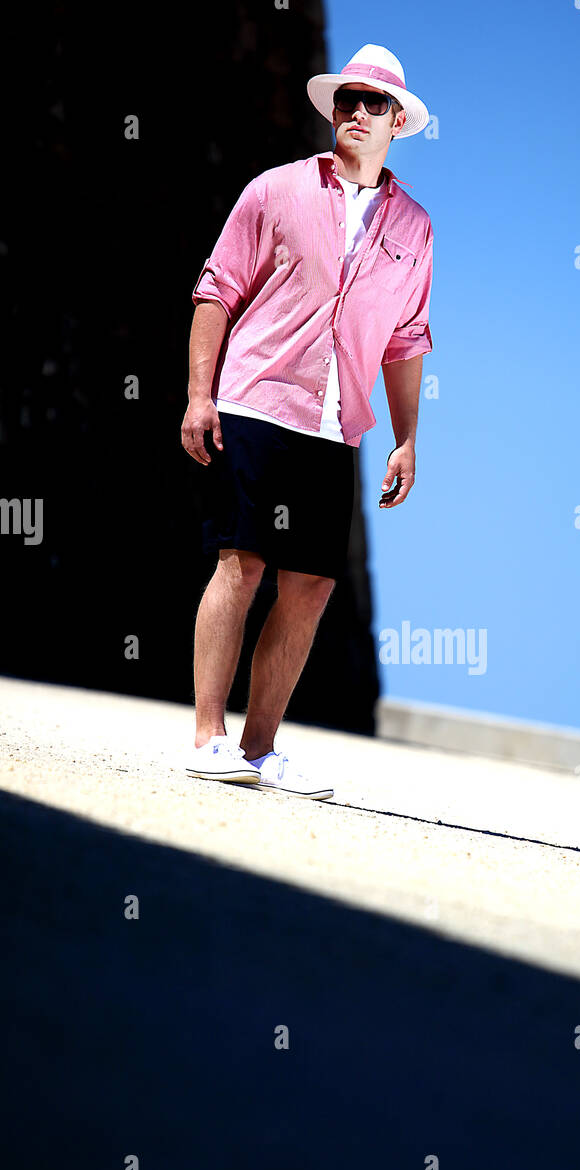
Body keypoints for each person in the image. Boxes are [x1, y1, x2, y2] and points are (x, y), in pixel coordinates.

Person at [181, 44, 433, 798]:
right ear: (334, 110)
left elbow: (406, 339)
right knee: (242, 562)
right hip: (257, 399)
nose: (357, 112)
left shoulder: (414, 227)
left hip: (335, 426)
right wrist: (199, 395)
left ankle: (259, 751)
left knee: (313, 587)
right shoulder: (276, 191)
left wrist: (408, 438)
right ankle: (206, 736)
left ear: (397, 123)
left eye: (374, 104)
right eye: (347, 99)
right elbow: (216, 290)